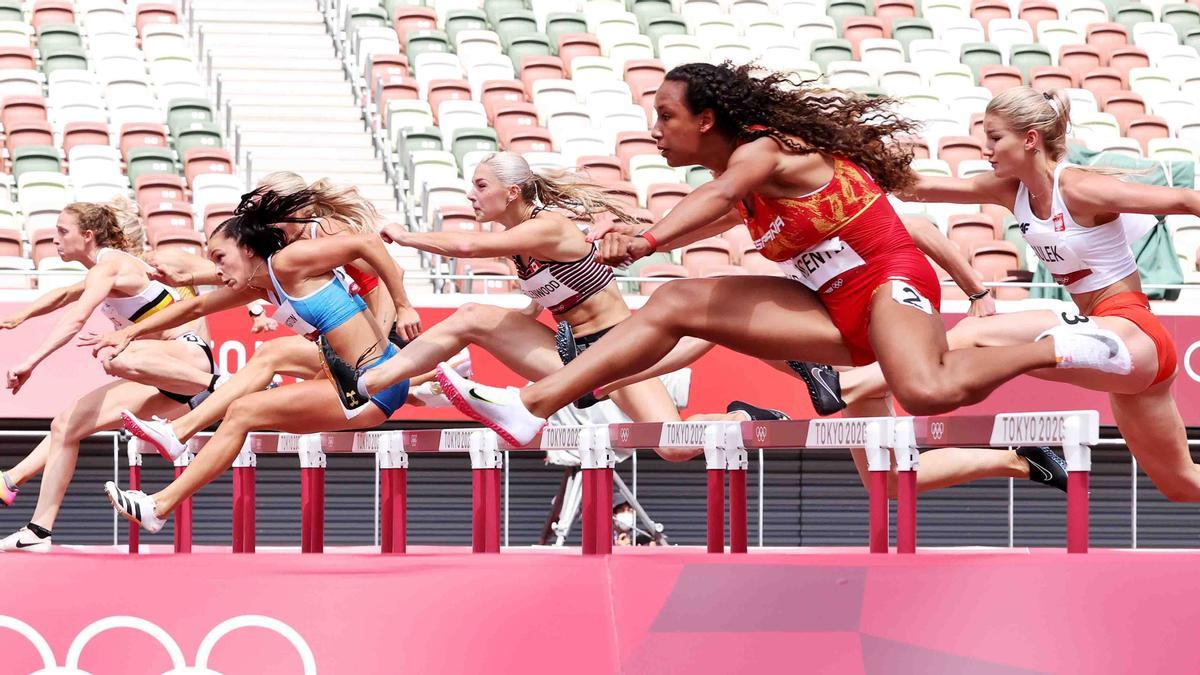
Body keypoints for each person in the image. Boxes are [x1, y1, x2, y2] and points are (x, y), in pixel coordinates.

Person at [428, 62, 1132, 446]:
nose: (655, 131)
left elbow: (716, 199)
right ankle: (534, 405)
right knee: (675, 302)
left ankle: (1056, 345)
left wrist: (641, 242)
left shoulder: (766, 149)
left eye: (666, 116)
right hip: (830, 311)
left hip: (891, 284)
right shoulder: (736, 184)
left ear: (709, 119)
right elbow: (710, 218)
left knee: (924, 391)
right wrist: (629, 261)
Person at [809, 86, 1196, 501]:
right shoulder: (1009, 191)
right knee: (1182, 485)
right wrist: (834, 157)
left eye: (995, 138)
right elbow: (911, 189)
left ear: (1029, 139)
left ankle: (845, 386)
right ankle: (853, 385)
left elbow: (1187, 199)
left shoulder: (1081, 189)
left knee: (978, 334)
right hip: (1112, 354)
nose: (986, 148)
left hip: (1133, 332)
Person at [327, 151, 762, 461]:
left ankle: (744, 414)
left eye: (481, 186)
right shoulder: (519, 248)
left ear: (512, 191)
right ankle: (368, 382)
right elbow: (539, 305)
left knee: (674, 446)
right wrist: (505, 332)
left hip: (618, 348)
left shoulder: (546, 229)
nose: (471, 196)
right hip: (570, 349)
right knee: (472, 317)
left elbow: (465, 244)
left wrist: (406, 237)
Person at [103, 187, 415, 532]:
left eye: (221, 258)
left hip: (374, 385)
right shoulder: (265, 285)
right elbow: (194, 306)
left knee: (242, 411)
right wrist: (128, 333)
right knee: (272, 351)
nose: (217, 270)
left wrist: (404, 306)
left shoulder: (288, 262)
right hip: (349, 377)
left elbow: (368, 243)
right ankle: (177, 433)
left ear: (248, 249)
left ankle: (159, 505)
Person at [85, 174, 437, 460]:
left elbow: (383, 277)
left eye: (259, 206)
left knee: (296, 367)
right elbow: (250, 279)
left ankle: (426, 373)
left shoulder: (324, 231)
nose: (251, 216)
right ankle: (424, 384)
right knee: (280, 379)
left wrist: (392, 323)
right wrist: (190, 278)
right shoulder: (283, 251)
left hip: (378, 320)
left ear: (285, 205)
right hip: (340, 335)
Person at [0, 201, 222, 551]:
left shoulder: (118, 264)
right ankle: (37, 532)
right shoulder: (101, 272)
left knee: (119, 354)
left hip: (189, 358)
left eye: (62, 231)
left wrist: (31, 360)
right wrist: (21, 315)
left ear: (87, 236)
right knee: (65, 425)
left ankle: (219, 384)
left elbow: (76, 318)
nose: (53, 239)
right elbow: (64, 295)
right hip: (162, 380)